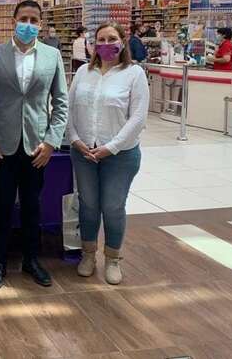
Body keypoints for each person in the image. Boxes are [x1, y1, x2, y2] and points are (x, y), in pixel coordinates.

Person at [0, 0, 68, 291]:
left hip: (37, 147)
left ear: (40, 24)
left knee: (32, 205)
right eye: (23, 18)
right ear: (13, 21)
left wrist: (51, 142)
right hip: (2, 145)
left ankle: (31, 259)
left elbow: (61, 103)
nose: (28, 24)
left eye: (34, 19)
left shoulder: (52, 56)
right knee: (2, 204)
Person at [67, 22, 149, 285]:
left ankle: (113, 258)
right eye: (100, 39)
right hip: (84, 152)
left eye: (112, 38)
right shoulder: (84, 72)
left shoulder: (134, 74)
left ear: (122, 42)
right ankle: (88, 254)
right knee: (88, 205)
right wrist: (75, 139)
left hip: (120, 155)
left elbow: (138, 118)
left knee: (113, 206)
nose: (105, 44)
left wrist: (110, 147)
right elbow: (68, 108)